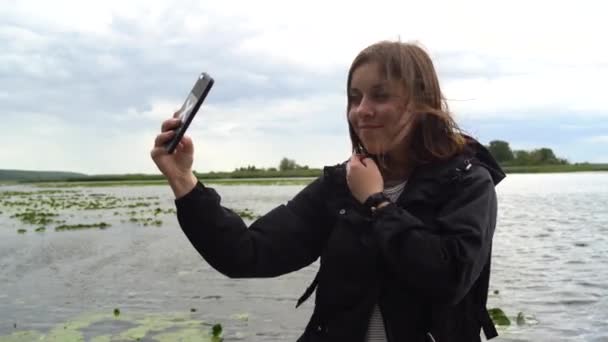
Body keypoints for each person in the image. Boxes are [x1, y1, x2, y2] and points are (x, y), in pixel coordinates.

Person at [151, 40, 505, 342]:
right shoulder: (339, 186)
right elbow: (247, 253)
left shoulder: (468, 181)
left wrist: (377, 204)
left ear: (420, 103)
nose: (362, 111)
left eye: (380, 96)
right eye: (355, 98)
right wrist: (184, 182)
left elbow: (449, 279)